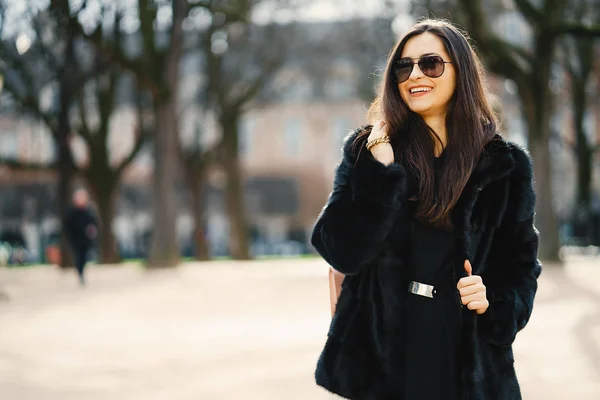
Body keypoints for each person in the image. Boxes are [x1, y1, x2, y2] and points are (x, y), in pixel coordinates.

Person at [311, 19, 542, 400]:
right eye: (404, 66)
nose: (415, 74)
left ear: (460, 72)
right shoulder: (367, 151)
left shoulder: (504, 165)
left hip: (466, 352)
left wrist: (493, 301)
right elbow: (338, 250)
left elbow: (521, 266)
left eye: (431, 64)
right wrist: (382, 174)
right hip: (387, 352)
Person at [65, 188, 98, 285]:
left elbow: (93, 223)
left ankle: (81, 272)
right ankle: (80, 273)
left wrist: (92, 231)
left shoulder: (89, 211)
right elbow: (68, 226)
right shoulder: (71, 211)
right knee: (78, 256)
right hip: (76, 239)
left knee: (84, 257)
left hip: (86, 239)